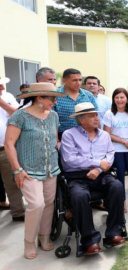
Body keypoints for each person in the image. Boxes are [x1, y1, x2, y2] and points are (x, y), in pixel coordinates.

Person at [4, 82, 65, 259]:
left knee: (48, 204)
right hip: (27, 169)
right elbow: (9, 144)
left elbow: (54, 140)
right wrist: (17, 170)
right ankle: (29, 241)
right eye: (52, 98)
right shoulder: (20, 116)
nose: (54, 102)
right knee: (36, 204)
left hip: (51, 168)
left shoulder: (53, 115)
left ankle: (44, 235)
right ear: (39, 97)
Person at [60, 102, 126, 256]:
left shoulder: (104, 135)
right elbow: (69, 159)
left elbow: (110, 155)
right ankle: (90, 241)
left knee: (116, 186)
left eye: (96, 115)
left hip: (100, 175)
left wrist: (97, 169)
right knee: (79, 195)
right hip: (77, 177)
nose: (97, 118)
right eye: (92, 116)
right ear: (81, 119)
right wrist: (97, 163)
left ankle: (113, 233)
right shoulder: (69, 135)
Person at [103, 88, 128, 211]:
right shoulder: (109, 114)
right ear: (113, 99)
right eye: (117, 97)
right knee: (120, 177)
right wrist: (123, 141)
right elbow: (107, 134)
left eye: (122, 97)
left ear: (127, 99)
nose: (119, 100)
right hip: (116, 149)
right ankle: (122, 201)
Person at [0, 76, 25, 221]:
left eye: (2, 85)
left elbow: (17, 113)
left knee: (12, 182)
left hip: (5, 149)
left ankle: (18, 212)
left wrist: (1, 102)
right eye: (0, 86)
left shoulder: (7, 96)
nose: (2, 88)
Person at [53, 68, 98, 139]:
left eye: (80, 80)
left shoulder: (88, 95)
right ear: (64, 80)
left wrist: (97, 135)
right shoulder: (56, 95)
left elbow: (95, 116)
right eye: (74, 80)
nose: (78, 83)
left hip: (86, 135)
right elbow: (52, 121)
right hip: (63, 136)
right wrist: (56, 140)